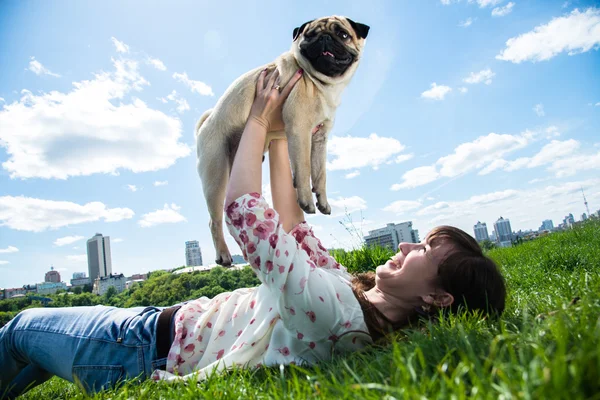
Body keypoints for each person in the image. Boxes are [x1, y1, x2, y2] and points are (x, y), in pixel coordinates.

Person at [0, 68, 506, 398]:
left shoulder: (335, 313)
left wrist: (261, 119)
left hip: (140, 348)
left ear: (438, 297)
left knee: (22, 328)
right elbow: (293, 227)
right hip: (160, 328)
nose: (405, 245)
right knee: (28, 354)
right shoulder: (353, 305)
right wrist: (285, 135)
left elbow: (246, 211)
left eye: (424, 250)